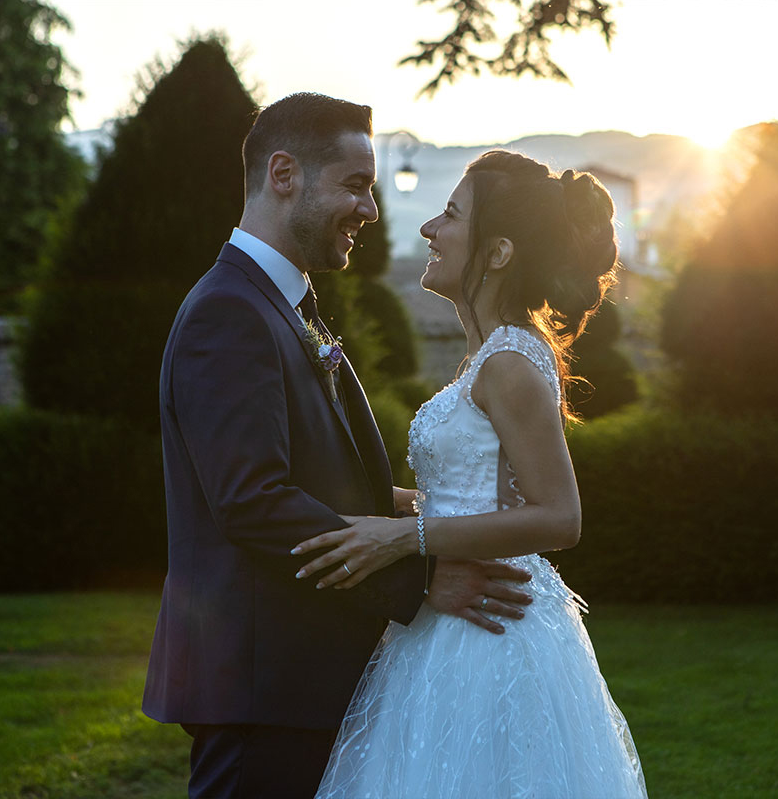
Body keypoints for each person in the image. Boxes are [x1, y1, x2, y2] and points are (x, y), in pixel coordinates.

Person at [141, 94, 535, 799]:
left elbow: (304, 473)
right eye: (355, 185)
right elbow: (254, 502)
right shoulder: (231, 313)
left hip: (297, 680)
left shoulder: (280, 306)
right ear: (284, 174)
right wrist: (417, 578)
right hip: (263, 687)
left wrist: (432, 511)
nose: (372, 212)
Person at [293, 150, 649, 798]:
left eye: (451, 215)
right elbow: (469, 493)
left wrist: (408, 539)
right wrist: (387, 505)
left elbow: (559, 516)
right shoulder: (487, 355)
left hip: (494, 631)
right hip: (452, 616)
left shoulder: (510, 360)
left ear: (499, 252)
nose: (430, 228)